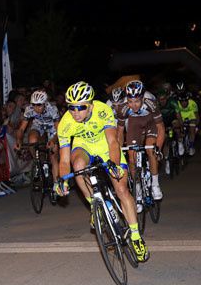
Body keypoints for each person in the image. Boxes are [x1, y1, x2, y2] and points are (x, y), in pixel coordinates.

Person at [56, 81, 149, 262]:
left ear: (90, 105)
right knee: (77, 166)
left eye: (80, 107)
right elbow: (64, 160)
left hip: (106, 147)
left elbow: (113, 142)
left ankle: (136, 237)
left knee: (122, 190)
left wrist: (114, 164)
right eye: (71, 107)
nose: (75, 112)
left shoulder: (103, 111)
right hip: (84, 148)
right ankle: (94, 204)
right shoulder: (65, 123)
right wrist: (62, 180)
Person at [115, 80, 164, 205]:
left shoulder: (151, 103)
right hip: (135, 125)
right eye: (130, 101)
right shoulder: (123, 108)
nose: (134, 105)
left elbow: (161, 128)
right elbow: (120, 132)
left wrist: (158, 147)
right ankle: (138, 189)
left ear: (142, 97)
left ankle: (155, 184)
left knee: (150, 150)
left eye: (137, 101)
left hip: (150, 124)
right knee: (131, 158)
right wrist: (118, 150)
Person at [13, 90, 61, 179]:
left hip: (52, 127)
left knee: (54, 156)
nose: (36, 107)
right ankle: (37, 161)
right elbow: (21, 129)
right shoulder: (29, 109)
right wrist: (18, 141)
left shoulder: (52, 109)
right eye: (34, 104)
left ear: (45, 103)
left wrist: (53, 140)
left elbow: (59, 130)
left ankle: (56, 183)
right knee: (32, 140)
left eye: (39, 105)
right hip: (38, 125)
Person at [175, 91, 199, 156]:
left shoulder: (193, 103)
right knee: (176, 126)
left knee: (192, 130)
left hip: (191, 117)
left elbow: (197, 116)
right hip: (181, 117)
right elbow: (177, 115)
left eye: (185, 101)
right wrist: (181, 124)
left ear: (188, 100)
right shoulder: (177, 104)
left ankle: (191, 146)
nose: (184, 103)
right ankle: (180, 143)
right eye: (181, 101)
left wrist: (196, 126)